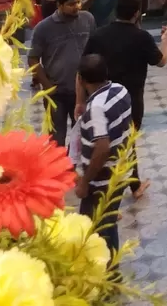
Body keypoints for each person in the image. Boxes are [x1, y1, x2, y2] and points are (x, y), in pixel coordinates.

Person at [84, 0, 167, 199]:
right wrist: (166, 39)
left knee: (104, 142)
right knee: (127, 142)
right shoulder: (141, 37)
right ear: (137, 13)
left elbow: (83, 68)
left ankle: (122, 184)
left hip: (101, 99)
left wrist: (81, 101)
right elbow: (161, 61)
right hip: (130, 101)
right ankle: (123, 187)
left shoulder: (99, 35)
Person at [74, 53, 131, 254]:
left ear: (80, 79)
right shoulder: (120, 90)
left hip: (100, 182)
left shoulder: (96, 108)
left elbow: (102, 148)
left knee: (95, 232)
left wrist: (84, 182)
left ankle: (108, 275)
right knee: (108, 222)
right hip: (119, 173)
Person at [27, 0, 95, 146]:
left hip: (83, 91)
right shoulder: (43, 28)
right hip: (56, 93)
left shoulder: (88, 19)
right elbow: (33, 59)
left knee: (84, 136)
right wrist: (48, 86)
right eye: (71, 4)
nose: (77, 7)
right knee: (57, 139)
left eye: (78, 2)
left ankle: (77, 169)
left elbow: (94, 49)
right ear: (59, 5)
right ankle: (59, 169)